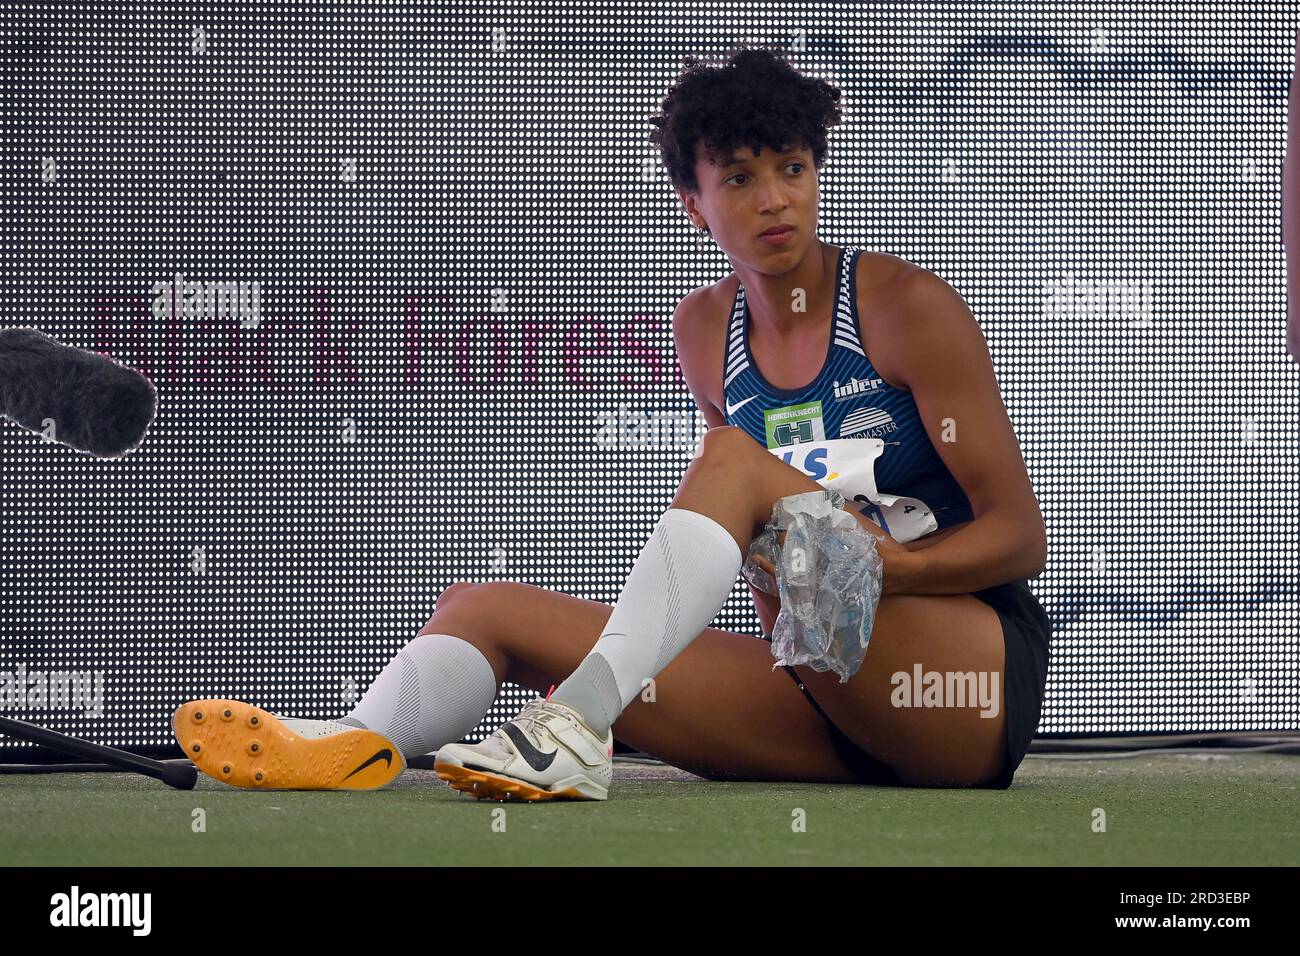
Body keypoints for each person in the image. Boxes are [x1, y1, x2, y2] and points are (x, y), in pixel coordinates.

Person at [173, 43, 1051, 801]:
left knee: (735, 461)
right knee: (483, 609)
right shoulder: (705, 332)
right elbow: (764, 561)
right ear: (694, 204)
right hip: (825, 686)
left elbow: (1019, 537)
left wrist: (885, 573)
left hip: (961, 682)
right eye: (739, 178)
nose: (775, 198)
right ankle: (342, 747)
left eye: (792, 166)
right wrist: (808, 602)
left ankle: (575, 726)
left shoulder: (905, 309)